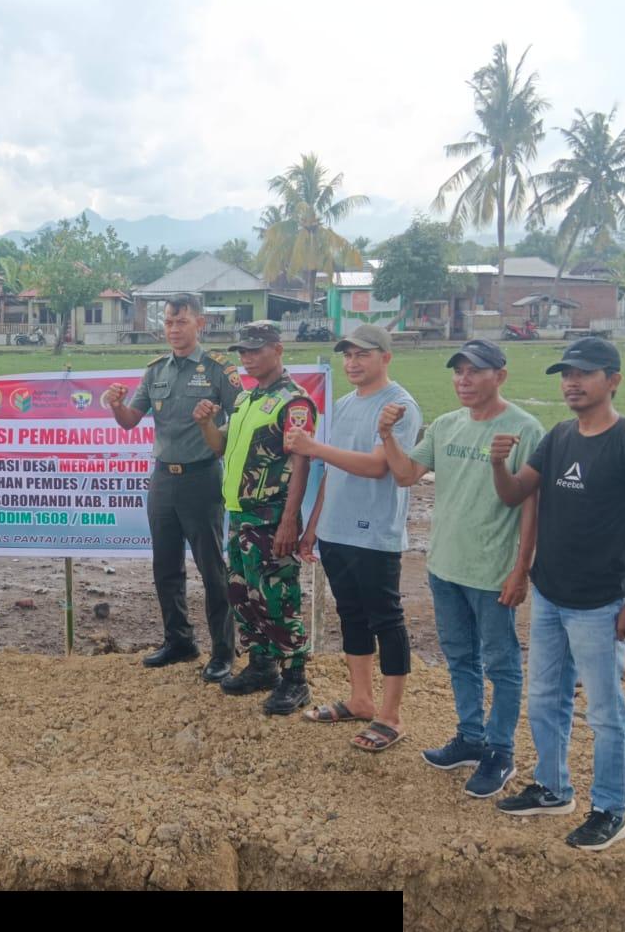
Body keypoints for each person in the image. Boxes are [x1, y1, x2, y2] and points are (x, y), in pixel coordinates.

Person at [489, 336, 625, 851]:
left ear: (613, 380)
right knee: (544, 698)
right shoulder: (559, 436)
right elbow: (514, 495)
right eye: (566, 374)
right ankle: (553, 787)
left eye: (584, 373)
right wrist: (499, 464)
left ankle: (612, 810)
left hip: (601, 604)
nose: (572, 382)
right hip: (550, 594)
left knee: (605, 712)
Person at [377, 339, 541, 798]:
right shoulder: (447, 425)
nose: (464, 380)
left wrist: (520, 568)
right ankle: (470, 737)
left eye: (475, 371)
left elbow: (531, 505)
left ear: (500, 377)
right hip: (445, 565)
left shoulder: (524, 429)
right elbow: (407, 475)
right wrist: (387, 436)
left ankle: (500, 752)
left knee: (502, 662)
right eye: (459, 371)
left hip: (492, 570)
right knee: (461, 657)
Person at [284, 323, 421, 753]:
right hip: (336, 530)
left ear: (385, 358)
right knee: (351, 615)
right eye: (347, 355)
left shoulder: (400, 405)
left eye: (362, 354)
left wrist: (312, 448)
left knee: (386, 618)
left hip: (374, 531)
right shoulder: (343, 405)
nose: (353, 363)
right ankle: (361, 698)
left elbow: (379, 466)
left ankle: (391, 714)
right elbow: (333, 472)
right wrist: (313, 526)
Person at [105, 293, 238, 682]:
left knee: (213, 569)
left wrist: (213, 427)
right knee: (165, 566)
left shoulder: (217, 370)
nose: (174, 329)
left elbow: (240, 419)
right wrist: (115, 406)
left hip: (202, 478)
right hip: (162, 478)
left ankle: (224, 651)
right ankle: (179, 640)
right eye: (168, 322)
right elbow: (131, 420)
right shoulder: (156, 370)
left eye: (181, 321)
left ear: (201, 324)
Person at [193, 322, 318, 714]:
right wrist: (205, 424)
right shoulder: (247, 401)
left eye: (255, 350)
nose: (246, 357)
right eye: (242, 351)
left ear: (277, 350)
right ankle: (262, 665)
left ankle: (296, 679)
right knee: (244, 596)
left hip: (270, 517)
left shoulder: (293, 402)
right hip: (240, 515)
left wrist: (289, 521)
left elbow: (302, 462)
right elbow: (221, 448)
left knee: (278, 597)